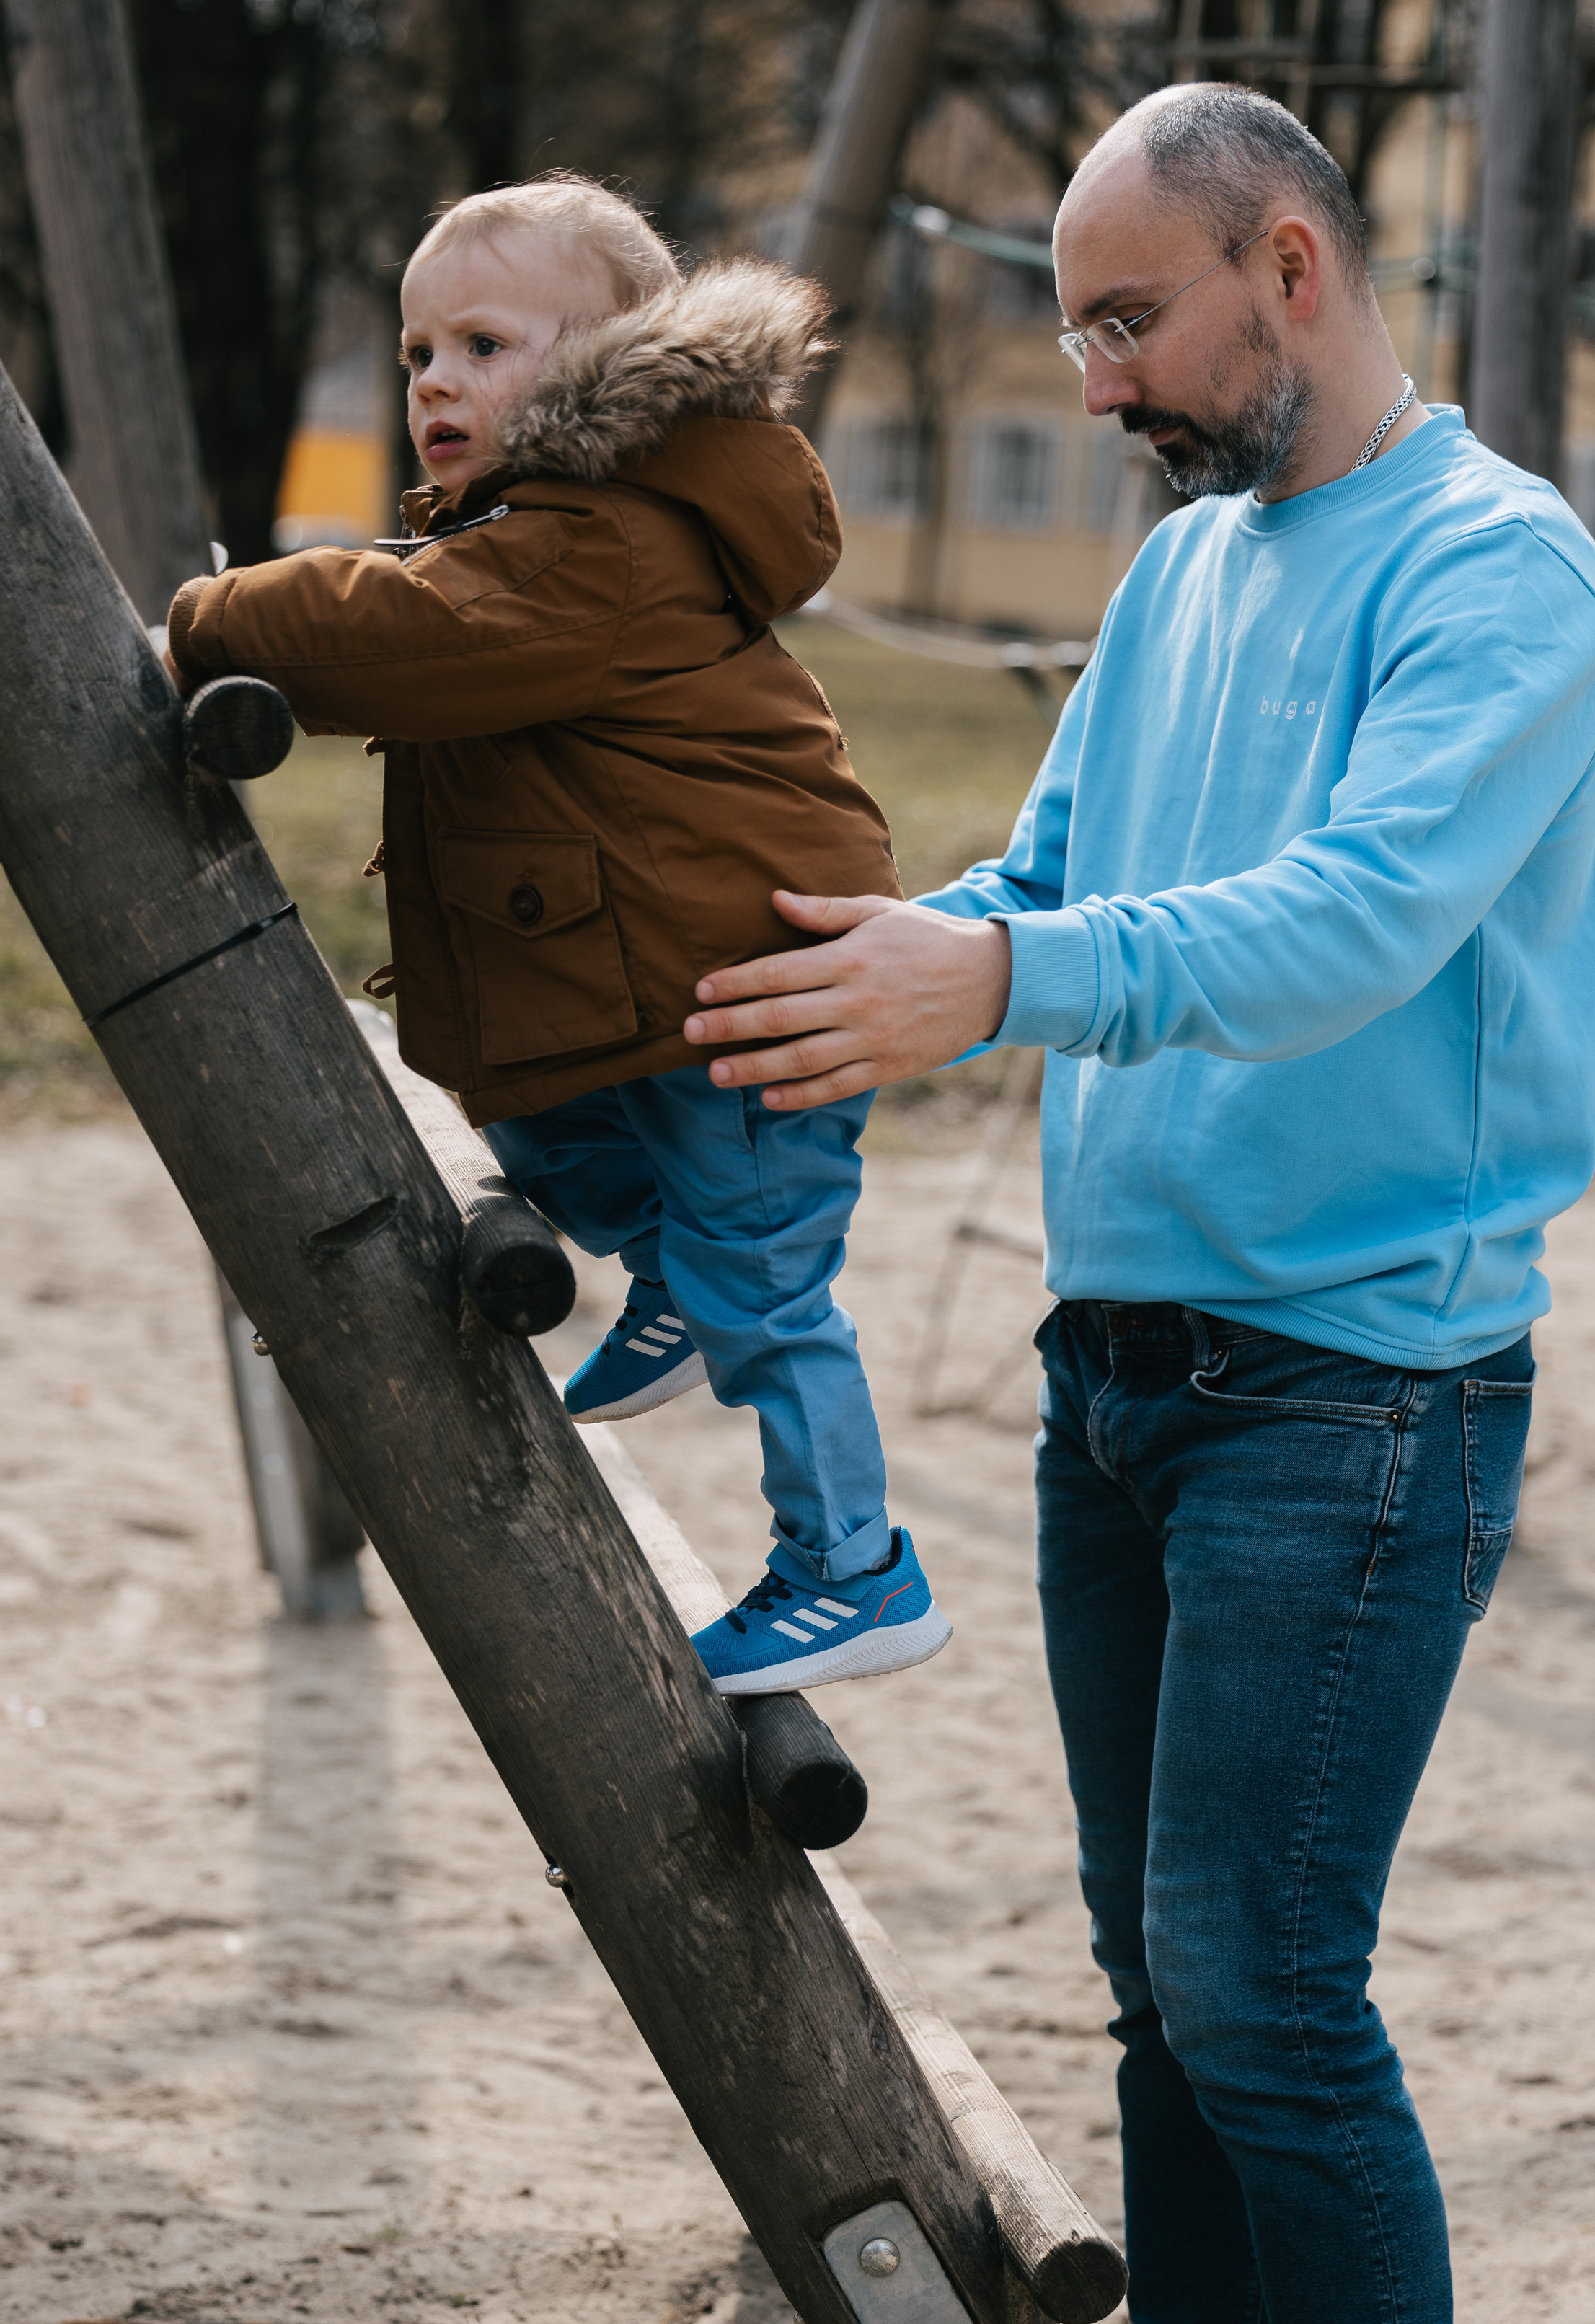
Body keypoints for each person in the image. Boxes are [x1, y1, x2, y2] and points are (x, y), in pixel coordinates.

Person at [677, 83, 1595, 2324]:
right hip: (1129, 1379)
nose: (1094, 377)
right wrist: (874, 954)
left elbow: (1343, 926)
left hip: (1365, 1390)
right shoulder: (1190, 558)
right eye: (1079, 325)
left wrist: (1001, 987)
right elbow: (1069, 871)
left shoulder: (1501, 575)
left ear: (1291, 270)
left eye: (1126, 319)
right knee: (1160, 1982)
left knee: (1266, 1991)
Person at [165, 173, 950, 1700]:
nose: (437, 383)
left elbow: (413, 632)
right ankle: (664, 1273)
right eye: (417, 356)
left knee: (767, 1298)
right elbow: (425, 642)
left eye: (484, 345)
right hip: (672, 984)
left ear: (607, 364)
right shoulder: (549, 534)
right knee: (542, 1117)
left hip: (753, 1001)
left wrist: (206, 619)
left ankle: (852, 1571)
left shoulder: (598, 544)